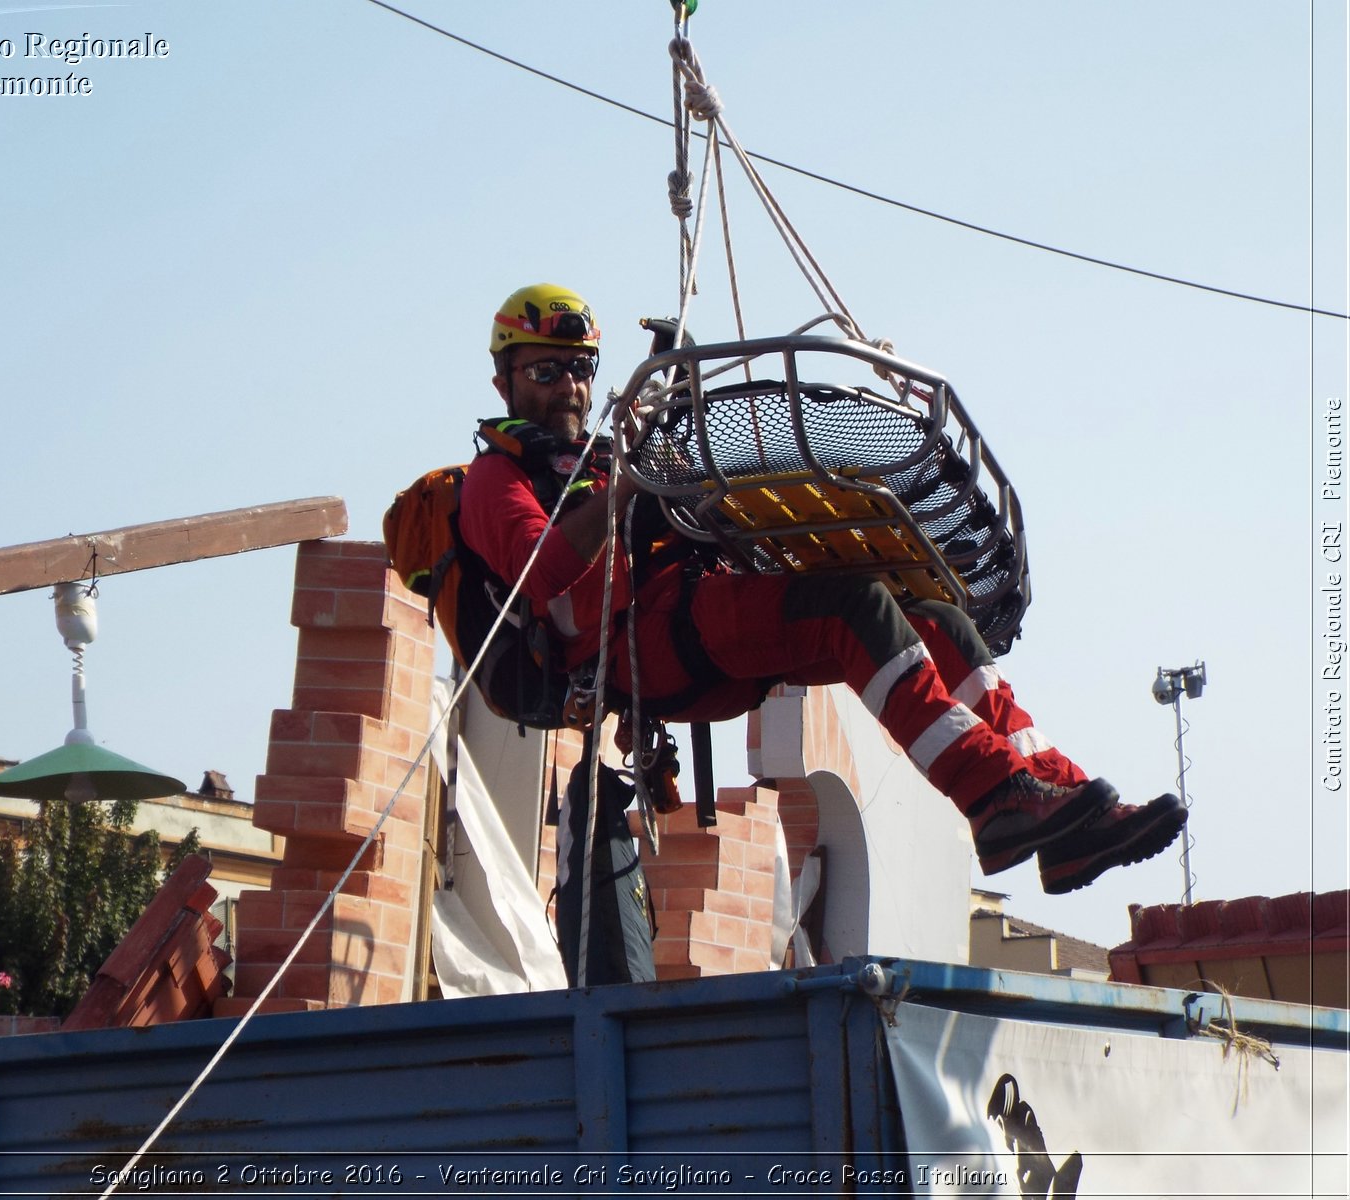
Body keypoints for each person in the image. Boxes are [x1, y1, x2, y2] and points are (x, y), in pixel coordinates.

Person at [459, 283, 1186, 897]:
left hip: (703, 609)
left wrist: (670, 456)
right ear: (506, 383)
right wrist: (624, 487)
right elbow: (541, 571)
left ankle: (1066, 811)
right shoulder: (497, 479)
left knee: (931, 619)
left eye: (580, 370)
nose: (570, 389)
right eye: (546, 373)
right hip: (645, 645)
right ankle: (993, 796)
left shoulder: (602, 455)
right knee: (852, 611)